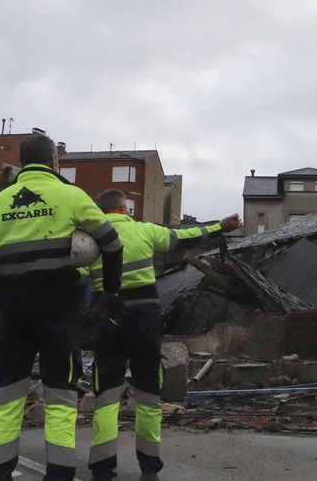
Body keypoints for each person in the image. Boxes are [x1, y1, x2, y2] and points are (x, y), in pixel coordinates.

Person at [0, 134, 123, 481]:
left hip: (12, 312)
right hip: (58, 310)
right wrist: (108, 295)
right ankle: (59, 473)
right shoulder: (71, 196)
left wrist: (2, 300)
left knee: (6, 395)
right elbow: (112, 245)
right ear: (54, 161)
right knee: (61, 393)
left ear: (22, 162)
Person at [85, 189, 240, 480]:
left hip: (108, 317)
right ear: (124, 208)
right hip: (144, 319)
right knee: (147, 395)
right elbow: (186, 236)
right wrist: (221, 225)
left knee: (106, 397)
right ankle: (149, 469)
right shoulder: (144, 231)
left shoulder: (90, 239)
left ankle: (103, 471)